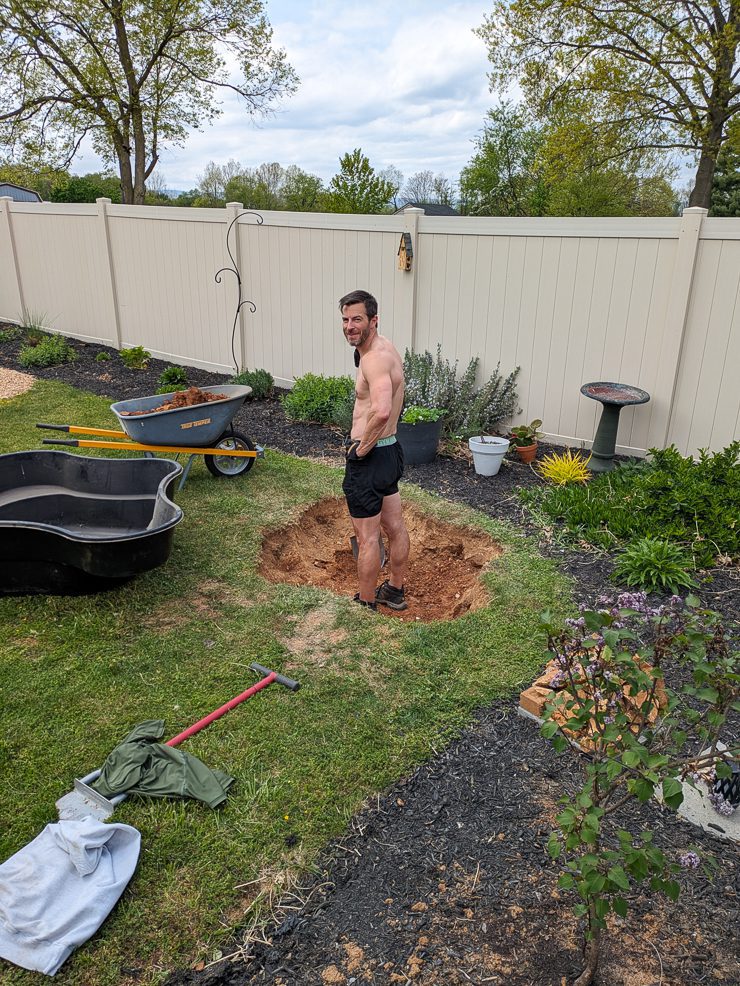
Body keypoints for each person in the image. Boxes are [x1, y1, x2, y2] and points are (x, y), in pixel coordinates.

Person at [340, 289, 410, 611]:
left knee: (368, 537)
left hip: (371, 458)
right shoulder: (387, 349)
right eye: (345, 319)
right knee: (395, 527)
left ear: (373, 320)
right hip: (391, 450)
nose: (349, 326)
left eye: (357, 319)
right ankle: (394, 591)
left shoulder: (373, 360)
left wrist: (361, 450)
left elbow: (381, 410)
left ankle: (366, 602)